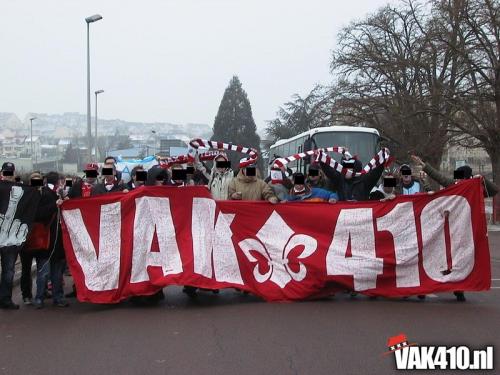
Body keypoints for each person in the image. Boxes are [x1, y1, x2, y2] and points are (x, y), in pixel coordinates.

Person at [411, 155, 499, 302]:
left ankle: (459, 288)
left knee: (462, 260)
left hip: (467, 231)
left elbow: (494, 190)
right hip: (450, 229)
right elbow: (440, 179)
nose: (459, 181)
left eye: (461, 177)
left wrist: (481, 179)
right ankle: (426, 287)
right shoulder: (455, 185)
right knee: (438, 257)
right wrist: (425, 166)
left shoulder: (476, 187)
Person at [320, 154, 386, 201]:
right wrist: (322, 158)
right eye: (344, 168)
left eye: (349, 169)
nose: (346, 171)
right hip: (342, 215)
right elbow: (329, 171)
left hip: (361, 216)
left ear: (356, 170)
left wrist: (382, 157)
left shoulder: (365, 181)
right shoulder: (339, 179)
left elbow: (375, 173)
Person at [0, 162, 21, 309]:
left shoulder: (21, 189)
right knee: (8, 269)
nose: (8, 175)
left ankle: (5, 299)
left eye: (10, 173)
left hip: (10, 236)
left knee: (9, 270)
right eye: (6, 172)